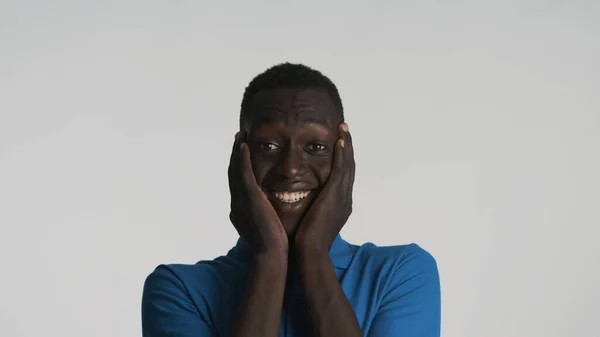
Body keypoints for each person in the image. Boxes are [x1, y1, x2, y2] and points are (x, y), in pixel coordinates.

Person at [141, 63, 441, 337]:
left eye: (315, 145)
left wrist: (312, 254)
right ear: (239, 158)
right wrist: (269, 258)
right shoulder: (179, 291)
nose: (290, 168)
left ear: (344, 157)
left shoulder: (400, 275)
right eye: (268, 145)